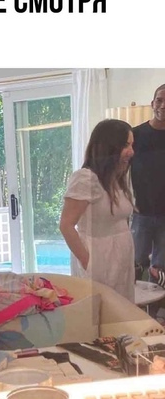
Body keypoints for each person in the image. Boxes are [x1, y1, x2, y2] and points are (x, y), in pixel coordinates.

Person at [59, 119, 135, 302]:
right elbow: (66, 226)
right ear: (109, 146)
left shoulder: (117, 178)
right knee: (98, 310)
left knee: (120, 310)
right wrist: (88, 261)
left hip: (121, 256)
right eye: (126, 145)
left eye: (132, 145)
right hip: (99, 257)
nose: (132, 152)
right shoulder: (86, 178)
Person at [130, 84, 165, 287]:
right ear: (153, 103)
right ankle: (133, 305)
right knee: (134, 265)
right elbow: (120, 170)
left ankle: (157, 307)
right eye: (159, 100)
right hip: (141, 213)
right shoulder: (135, 135)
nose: (163, 105)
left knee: (161, 271)